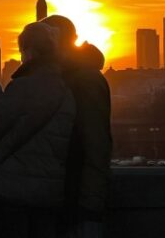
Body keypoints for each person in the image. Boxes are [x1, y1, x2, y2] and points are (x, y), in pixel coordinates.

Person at [0, 22, 76, 238]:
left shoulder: (21, 86)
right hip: (49, 193)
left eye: (22, 50)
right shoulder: (66, 92)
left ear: (30, 51)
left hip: (12, 191)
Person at [41, 15, 112, 237]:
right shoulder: (63, 76)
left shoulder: (84, 79)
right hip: (60, 195)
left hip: (75, 198)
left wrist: (91, 202)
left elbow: (96, 142)